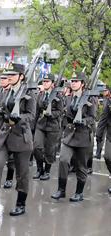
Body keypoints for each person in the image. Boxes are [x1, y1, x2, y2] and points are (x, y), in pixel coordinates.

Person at [0, 63, 36, 216]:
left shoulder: (29, 94)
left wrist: (19, 118)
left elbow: (31, 116)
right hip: (3, 135)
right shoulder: (6, 92)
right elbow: (3, 109)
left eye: (12, 75)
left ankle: (20, 204)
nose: (9, 77)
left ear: (21, 77)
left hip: (21, 137)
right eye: (8, 75)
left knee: (22, 174)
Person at [51, 72, 97, 202]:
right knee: (64, 160)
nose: (73, 83)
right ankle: (61, 190)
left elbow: (93, 117)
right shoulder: (69, 98)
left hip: (83, 136)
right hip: (70, 135)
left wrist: (84, 121)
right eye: (72, 81)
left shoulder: (90, 99)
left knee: (81, 166)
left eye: (76, 81)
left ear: (82, 84)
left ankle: (79, 192)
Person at [33, 73, 63, 180]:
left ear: (52, 84)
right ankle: (39, 168)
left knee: (50, 150)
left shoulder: (58, 96)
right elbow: (36, 111)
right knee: (36, 147)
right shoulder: (40, 95)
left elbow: (60, 111)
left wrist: (52, 114)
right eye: (44, 81)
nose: (45, 83)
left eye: (47, 81)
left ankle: (47, 171)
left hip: (52, 126)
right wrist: (33, 125)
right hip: (40, 125)